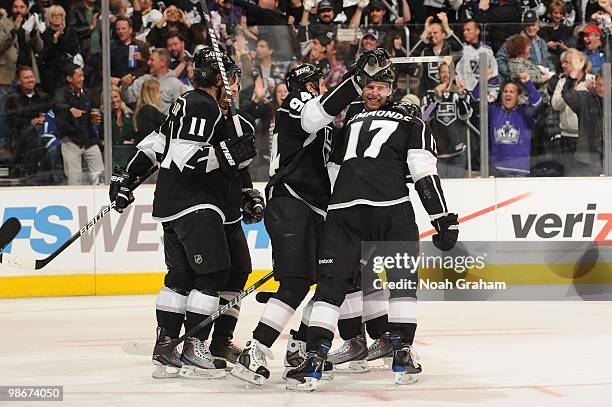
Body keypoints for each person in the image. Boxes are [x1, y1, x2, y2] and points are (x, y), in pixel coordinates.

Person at [284, 67, 459, 391]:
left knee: (330, 289)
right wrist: (442, 218)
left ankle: (314, 358)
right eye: (369, 86)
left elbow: (333, 173)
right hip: (388, 209)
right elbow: (423, 174)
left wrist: (329, 216)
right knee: (401, 284)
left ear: (390, 91)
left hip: (345, 212)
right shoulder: (413, 124)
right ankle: (401, 352)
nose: (372, 92)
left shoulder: (348, 124)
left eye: (378, 87)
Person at [230, 49, 392, 386]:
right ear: (308, 85)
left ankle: (302, 344)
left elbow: (332, 163)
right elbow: (313, 116)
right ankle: (255, 350)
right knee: (297, 283)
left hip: (314, 209)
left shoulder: (321, 117)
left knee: (330, 280)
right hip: (292, 202)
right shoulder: (296, 104)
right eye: (318, 82)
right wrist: (356, 80)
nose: (321, 87)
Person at [109, 47, 258, 379]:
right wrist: (228, 154)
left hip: (198, 207)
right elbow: (185, 159)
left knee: (186, 278)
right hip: (197, 205)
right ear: (219, 79)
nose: (234, 84)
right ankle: (194, 345)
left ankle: (168, 348)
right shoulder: (200, 106)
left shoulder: (206, 110)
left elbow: (154, 145)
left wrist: (125, 179)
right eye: (230, 77)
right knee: (213, 276)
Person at [473, 72, 544, 176]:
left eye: (512, 92)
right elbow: (475, 100)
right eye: (505, 91)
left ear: (518, 96)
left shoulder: (524, 112)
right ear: (501, 95)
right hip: (496, 170)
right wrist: (481, 82)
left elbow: (537, 103)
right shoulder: (493, 111)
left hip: (520, 171)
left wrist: (528, 83)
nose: (508, 94)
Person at [423, 63, 473, 178]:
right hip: (437, 155)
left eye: (448, 72)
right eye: (443, 72)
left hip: (457, 153)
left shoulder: (461, 93)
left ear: (454, 75)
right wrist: (436, 98)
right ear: (438, 75)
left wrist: (461, 95)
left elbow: (466, 115)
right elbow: (425, 116)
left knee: (457, 191)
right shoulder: (430, 94)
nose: (446, 75)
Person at [121, 48, 186, 115]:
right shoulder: (143, 80)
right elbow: (127, 99)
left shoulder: (176, 84)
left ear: (162, 62)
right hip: (145, 123)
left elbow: (182, 111)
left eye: (152, 60)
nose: (148, 62)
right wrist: (124, 87)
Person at [133, 79, 165, 145]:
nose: (161, 94)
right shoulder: (149, 110)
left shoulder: (144, 110)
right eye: (159, 92)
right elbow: (168, 123)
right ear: (152, 94)